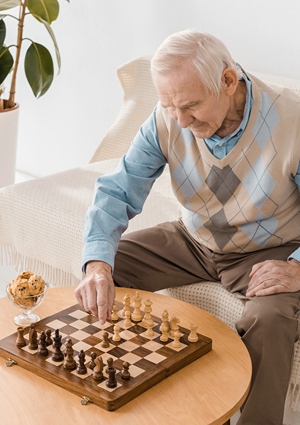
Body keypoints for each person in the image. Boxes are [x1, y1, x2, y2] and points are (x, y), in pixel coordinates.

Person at [75, 29, 300, 424]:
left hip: (272, 248)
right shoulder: (168, 118)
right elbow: (118, 189)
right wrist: (97, 264)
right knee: (106, 269)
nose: (179, 120)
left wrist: (297, 266)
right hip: (193, 239)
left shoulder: (292, 121)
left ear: (228, 81)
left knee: (268, 321)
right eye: (169, 106)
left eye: (190, 105)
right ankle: (127, 395)